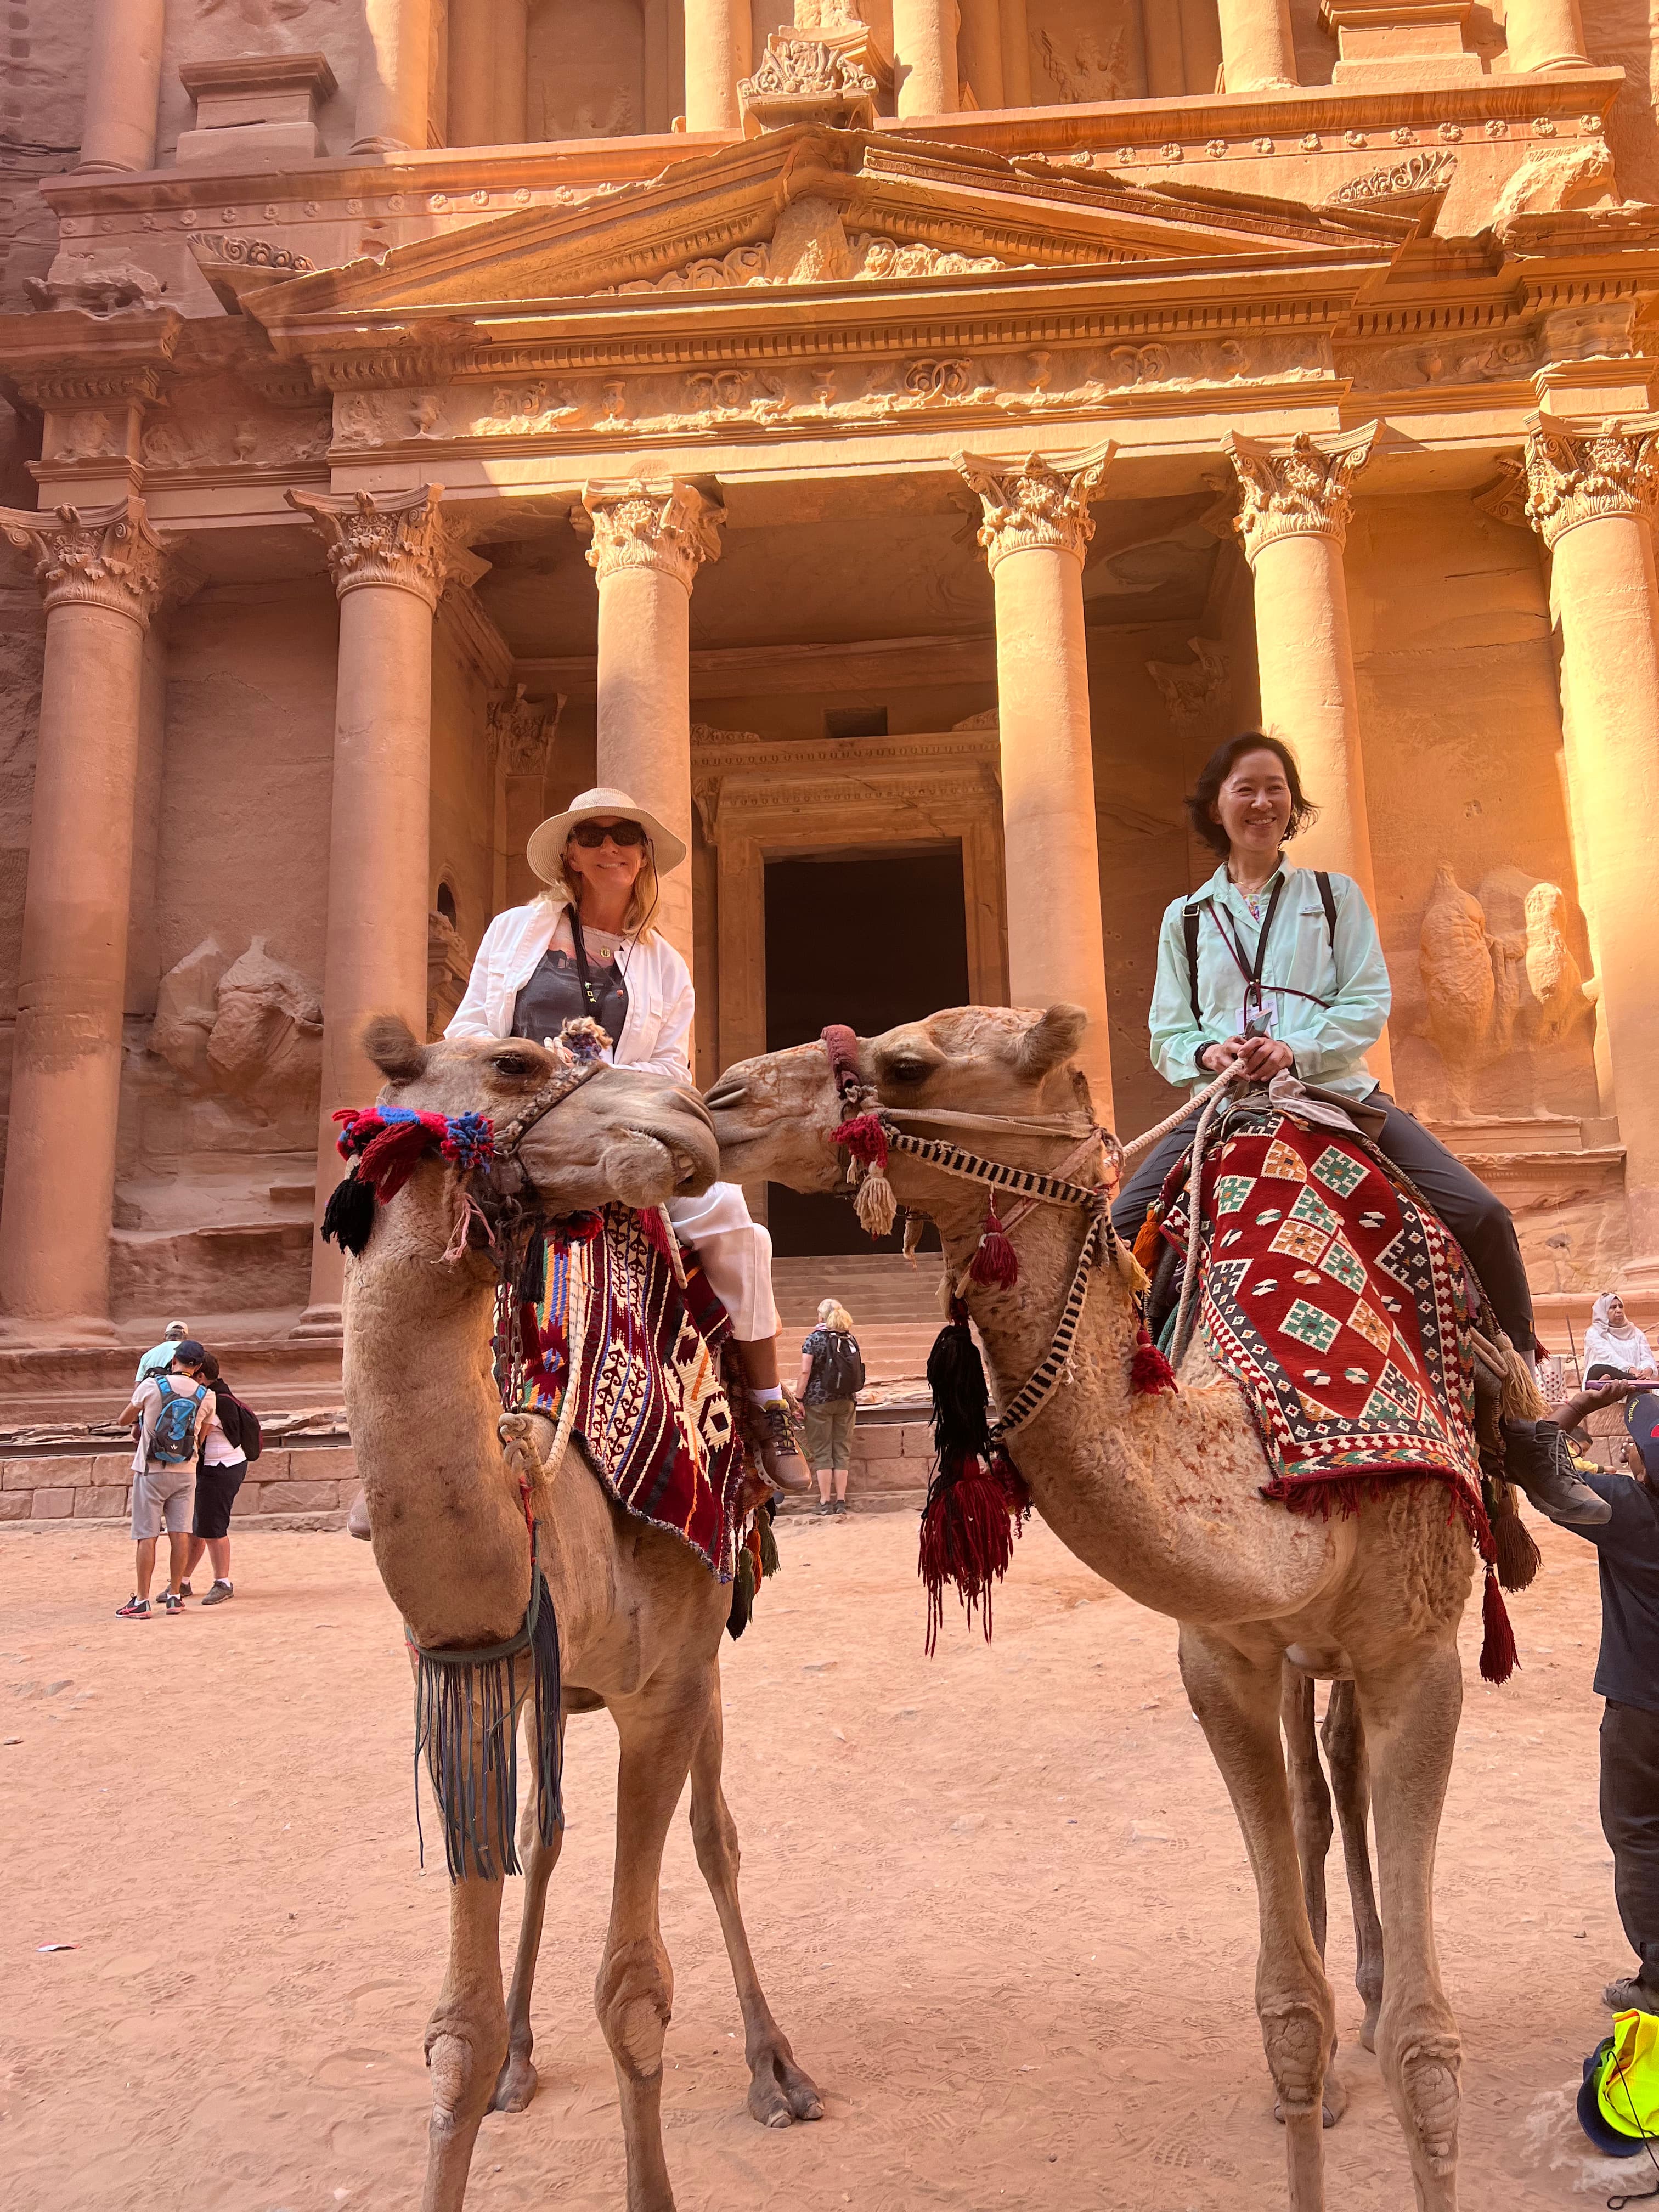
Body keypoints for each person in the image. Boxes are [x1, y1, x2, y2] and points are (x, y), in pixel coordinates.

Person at [1111, 730, 1598, 1523]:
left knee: (1484, 1215)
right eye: (1246, 789)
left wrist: (1293, 1048)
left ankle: (1526, 1426)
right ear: (1215, 806)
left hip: (1334, 1091)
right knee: (1114, 1236)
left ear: (1291, 805)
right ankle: (1122, 1430)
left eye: (1277, 789)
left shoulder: (1334, 897)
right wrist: (1212, 1048)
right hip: (1224, 1100)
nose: (1263, 802)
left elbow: (1367, 1003)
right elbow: (1168, 1033)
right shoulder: (1187, 919)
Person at [448, 787, 805, 1488]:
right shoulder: (514, 931)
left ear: (643, 858)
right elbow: (468, 1028)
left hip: (614, 1127)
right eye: (594, 835)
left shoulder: (665, 964)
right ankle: (395, 1453)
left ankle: (767, 1405)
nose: (612, 846)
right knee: (398, 1223)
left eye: (627, 836)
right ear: (571, 855)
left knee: (733, 1219)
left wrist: (605, 1077)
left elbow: (674, 1067)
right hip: (517, 1118)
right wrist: (528, 1068)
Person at [1554, 1410, 1659, 2015]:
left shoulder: (1626, 1510)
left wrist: (1569, 1415)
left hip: (1643, 1710)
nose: (1629, 1456)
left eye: (1639, 1449)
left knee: (1641, 1835)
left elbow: (1541, 1469)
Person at [113, 1337, 213, 1617]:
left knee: (147, 1536)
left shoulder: (152, 1386)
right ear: (199, 1367)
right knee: (180, 1533)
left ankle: (142, 1601)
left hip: (151, 1468)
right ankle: (174, 1595)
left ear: (174, 1361)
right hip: (186, 1472)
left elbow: (123, 1420)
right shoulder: (207, 1395)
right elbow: (202, 1437)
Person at [180, 1353, 251, 1606]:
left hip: (220, 1467)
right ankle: (182, 1580)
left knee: (213, 1527)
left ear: (199, 1375)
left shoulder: (212, 1400)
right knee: (198, 1525)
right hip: (220, 1466)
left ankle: (223, 1582)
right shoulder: (221, 1394)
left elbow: (199, 1433)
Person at [796, 1299, 865, 1516]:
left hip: (818, 1402)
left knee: (823, 1452)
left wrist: (798, 1399)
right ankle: (841, 1502)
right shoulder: (850, 1338)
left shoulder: (814, 1339)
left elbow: (805, 1372)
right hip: (846, 1401)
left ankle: (825, 1502)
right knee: (842, 1451)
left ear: (821, 1317)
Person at [1587, 1294, 1659, 1384]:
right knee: (1597, 1369)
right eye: (1613, 1307)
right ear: (1603, 1312)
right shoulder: (1595, 1332)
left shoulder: (1636, 1333)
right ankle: (1632, 1381)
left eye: (1621, 1307)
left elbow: (1647, 1357)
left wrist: (1648, 1370)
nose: (1619, 1310)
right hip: (1609, 1376)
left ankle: (1634, 1382)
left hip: (1636, 1378)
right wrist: (1631, 1369)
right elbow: (1610, 1356)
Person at [132, 1318, 189, 1391]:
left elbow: (138, 1386)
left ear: (165, 1336)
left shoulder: (148, 1355)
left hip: (152, 1397)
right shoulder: (189, 1353)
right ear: (186, 1337)